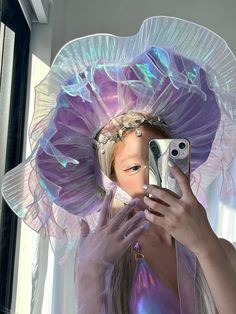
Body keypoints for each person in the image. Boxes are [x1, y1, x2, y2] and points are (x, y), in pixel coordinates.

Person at [2, 16, 236, 314]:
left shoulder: (220, 251)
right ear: (113, 179)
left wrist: (205, 245)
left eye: (161, 157)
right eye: (134, 168)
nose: (151, 179)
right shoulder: (109, 256)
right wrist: (91, 272)